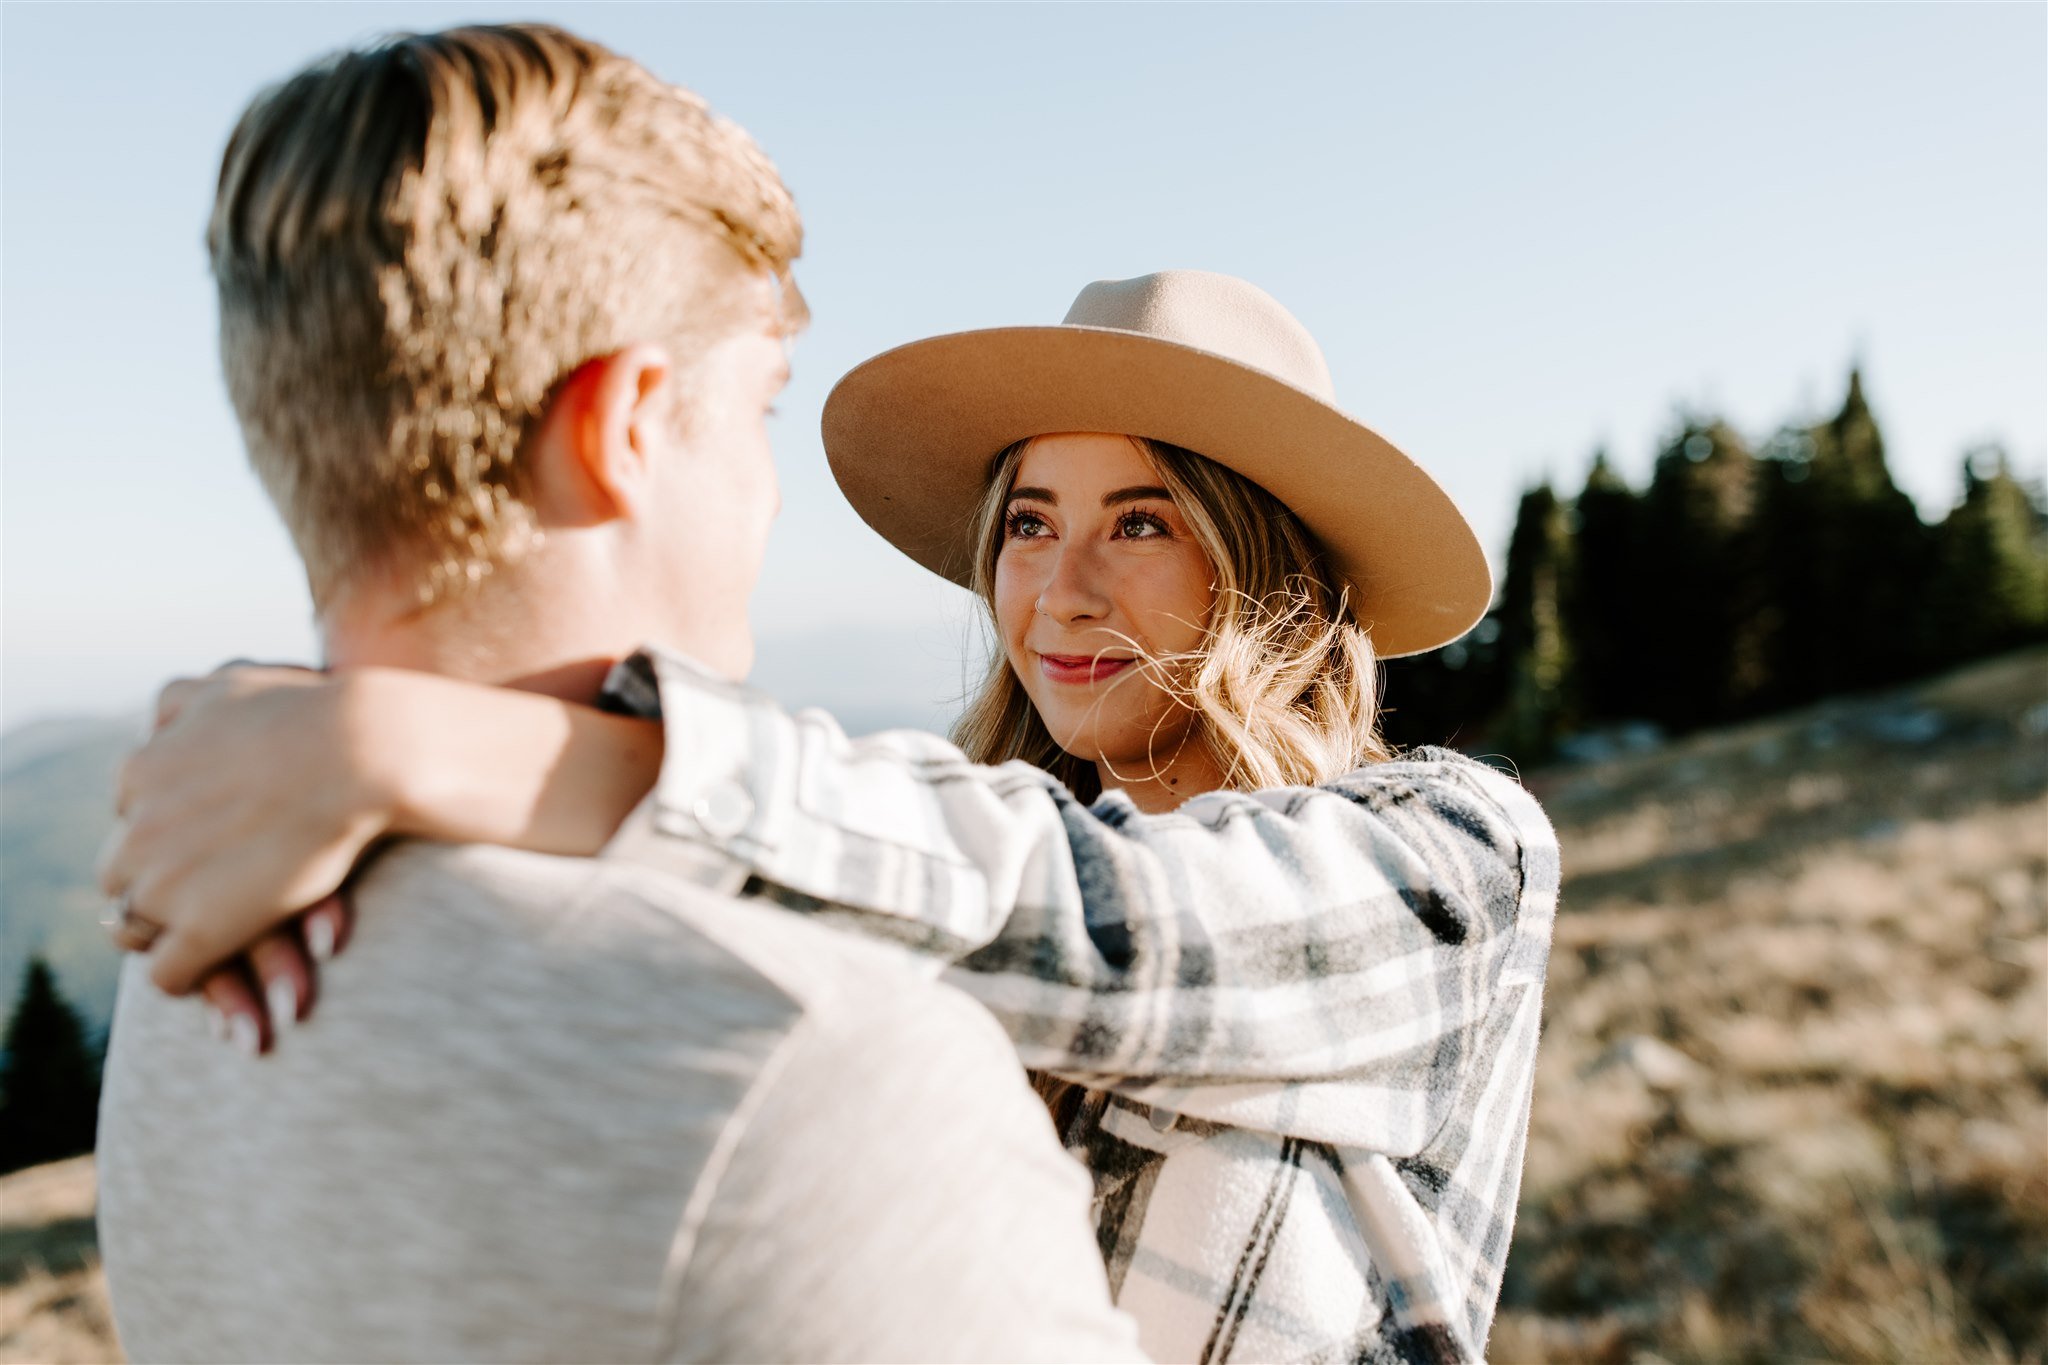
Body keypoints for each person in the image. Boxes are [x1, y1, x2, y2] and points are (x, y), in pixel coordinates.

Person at [106, 271, 1561, 1362]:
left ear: (1272, 571)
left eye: (1142, 518)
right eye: (1030, 521)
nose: (1058, 590)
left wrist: (425, 738)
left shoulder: (1458, 856)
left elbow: (1123, 926)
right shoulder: (937, 838)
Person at [91, 24, 1148, 1365]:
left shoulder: (188, 947)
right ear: (626, 428)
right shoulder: (825, 1069)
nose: (770, 493)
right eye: (760, 412)